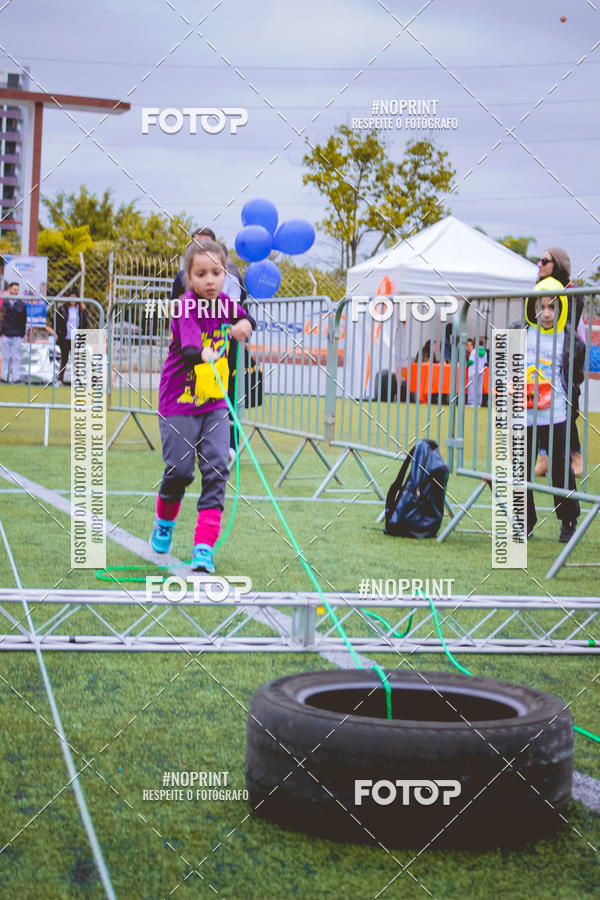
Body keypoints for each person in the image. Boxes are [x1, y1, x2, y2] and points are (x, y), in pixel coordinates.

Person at [150, 239, 254, 573]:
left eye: (216, 272)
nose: (210, 280)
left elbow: (246, 319)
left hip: (214, 402)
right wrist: (203, 353)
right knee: (180, 471)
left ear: (225, 274)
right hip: (179, 400)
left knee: (217, 469)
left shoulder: (225, 304)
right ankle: (164, 522)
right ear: (189, 278)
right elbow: (191, 350)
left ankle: (203, 547)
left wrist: (245, 326)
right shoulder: (185, 307)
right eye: (201, 274)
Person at [525, 273, 585, 543]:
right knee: (521, 467)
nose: (547, 313)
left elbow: (574, 375)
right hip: (524, 414)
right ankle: (524, 520)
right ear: (533, 307)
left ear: (561, 308)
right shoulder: (523, 333)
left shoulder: (568, 339)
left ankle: (568, 520)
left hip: (556, 414)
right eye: (542, 306)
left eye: (552, 306)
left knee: (560, 467)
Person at [533, 248, 584, 478]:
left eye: (545, 260)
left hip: (565, 358)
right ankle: (544, 457)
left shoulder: (571, 291)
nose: (540, 264)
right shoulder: (538, 288)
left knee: (566, 408)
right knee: (539, 406)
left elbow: (568, 325)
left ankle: (575, 456)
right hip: (540, 358)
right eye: (539, 260)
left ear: (558, 264)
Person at [54, 292, 89, 384]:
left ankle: (77, 380)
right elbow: (58, 322)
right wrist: (59, 333)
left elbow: (85, 323)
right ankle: (60, 378)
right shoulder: (62, 309)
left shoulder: (81, 311)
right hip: (65, 338)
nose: (73, 299)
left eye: (75, 297)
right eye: (71, 297)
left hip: (76, 338)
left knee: (76, 360)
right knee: (64, 359)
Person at [0, 282, 27, 383]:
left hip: (16, 335)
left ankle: (16, 377)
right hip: (5, 334)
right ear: (10, 289)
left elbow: (23, 321)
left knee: (16, 357)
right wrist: (1, 333)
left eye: (17, 290)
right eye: (14, 289)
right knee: (5, 357)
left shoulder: (21, 304)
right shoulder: (4, 303)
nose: (16, 291)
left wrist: (21, 334)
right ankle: (3, 377)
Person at [466, 338, 487, 407]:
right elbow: (485, 362)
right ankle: (478, 402)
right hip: (481, 372)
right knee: (479, 388)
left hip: (473, 371)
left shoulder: (474, 351)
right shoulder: (485, 352)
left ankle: (471, 402)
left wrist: (466, 364)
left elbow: (471, 361)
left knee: (472, 387)